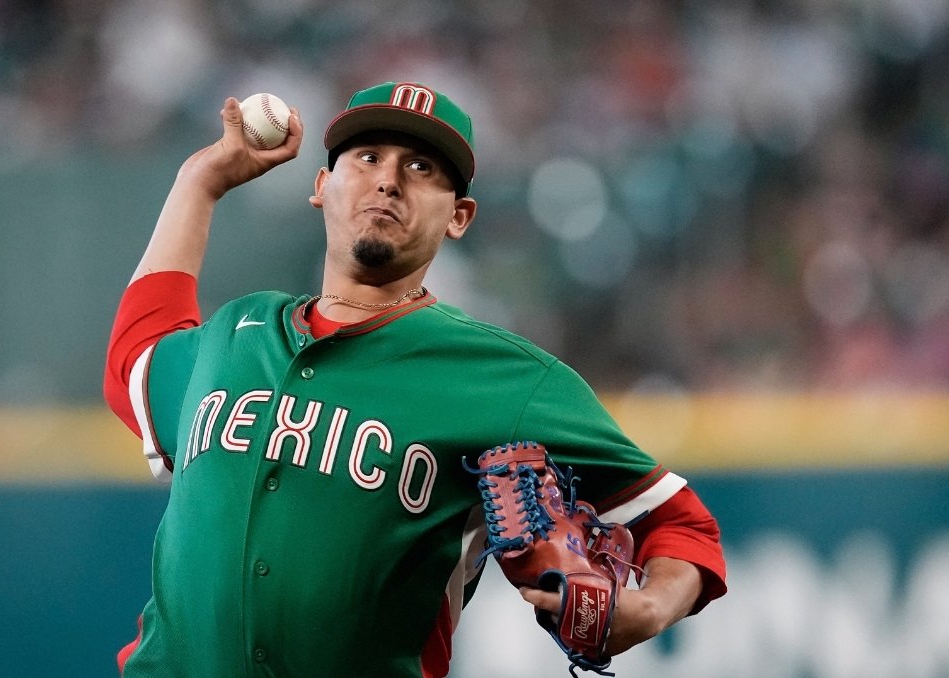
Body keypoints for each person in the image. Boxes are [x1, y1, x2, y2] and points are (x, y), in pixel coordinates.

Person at [103, 81, 727, 677]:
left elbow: (683, 525)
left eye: (422, 167)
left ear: (459, 216)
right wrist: (199, 182)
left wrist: (647, 609)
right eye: (368, 156)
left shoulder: (506, 378)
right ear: (322, 186)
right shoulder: (237, 331)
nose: (388, 179)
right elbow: (136, 358)